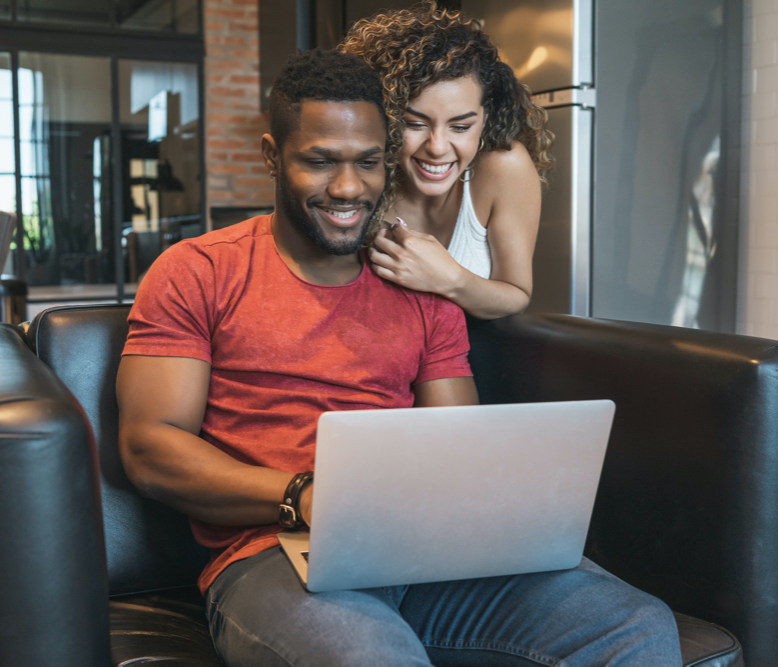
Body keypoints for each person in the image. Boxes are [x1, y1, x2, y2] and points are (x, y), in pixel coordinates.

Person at [117, 49, 681, 666]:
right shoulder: (198, 271)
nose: (348, 187)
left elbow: (456, 441)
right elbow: (151, 447)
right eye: (319, 161)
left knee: (634, 626)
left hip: (425, 554)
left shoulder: (420, 284)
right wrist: (305, 493)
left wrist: (512, 507)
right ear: (272, 157)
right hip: (272, 556)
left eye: (367, 162)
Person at [340, 2, 553, 319]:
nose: (438, 147)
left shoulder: (503, 167)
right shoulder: (358, 177)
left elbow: (516, 294)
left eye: (461, 126)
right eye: (415, 124)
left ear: (486, 118)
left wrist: (449, 279)